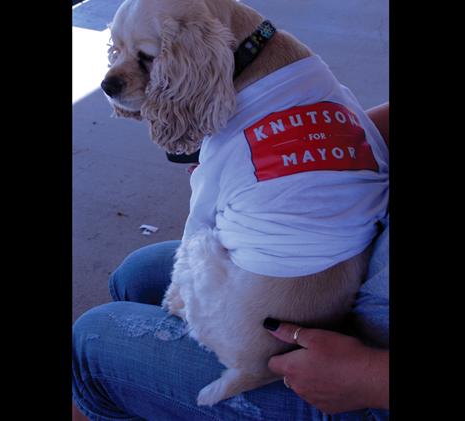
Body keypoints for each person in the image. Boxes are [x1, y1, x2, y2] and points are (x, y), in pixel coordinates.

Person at [72, 103, 389, 421]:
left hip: (362, 386)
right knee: (139, 274)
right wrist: (274, 153)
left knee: (89, 344)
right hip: (360, 261)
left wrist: (369, 377)